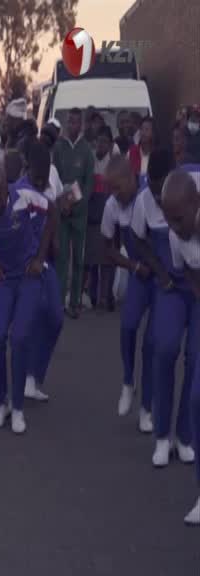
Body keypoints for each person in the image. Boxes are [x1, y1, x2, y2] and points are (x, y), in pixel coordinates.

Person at [0, 165, 56, 434]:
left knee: (19, 338)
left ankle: (18, 407)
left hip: (29, 276)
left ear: (6, 191)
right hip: (5, 278)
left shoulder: (26, 197)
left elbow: (53, 213)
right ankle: (1, 403)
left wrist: (41, 257)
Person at [131, 150, 196, 468]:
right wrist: (158, 271)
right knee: (164, 348)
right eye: (154, 191)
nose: (157, 198)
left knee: (196, 360)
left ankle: (185, 435)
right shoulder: (145, 200)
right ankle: (161, 436)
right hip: (173, 285)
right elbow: (135, 238)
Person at [101, 155, 154, 432]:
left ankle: (147, 409)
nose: (114, 194)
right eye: (110, 189)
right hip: (140, 274)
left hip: (163, 276)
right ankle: (127, 382)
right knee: (128, 326)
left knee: (154, 344)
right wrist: (132, 265)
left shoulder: (150, 194)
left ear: (132, 177)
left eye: (118, 187)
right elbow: (107, 249)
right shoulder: (112, 206)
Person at [160, 169, 200, 525]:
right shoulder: (175, 235)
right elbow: (186, 270)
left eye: (179, 218)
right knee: (197, 398)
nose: (174, 226)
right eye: (168, 220)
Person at [18, 141, 63, 403]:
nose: (40, 182)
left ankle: (35, 376)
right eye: (36, 177)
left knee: (55, 318)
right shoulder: (19, 192)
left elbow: (52, 222)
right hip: (25, 267)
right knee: (30, 322)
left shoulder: (46, 192)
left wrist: (53, 241)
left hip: (46, 264)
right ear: (27, 169)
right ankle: (24, 378)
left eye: (44, 179)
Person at [53, 108, 95, 319]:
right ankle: (59, 301)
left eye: (76, 122)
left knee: (78, 259)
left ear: (81, 124)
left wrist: (76, 204)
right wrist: (62, 203)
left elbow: (88, 183)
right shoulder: (58, 147)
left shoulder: (87, 150)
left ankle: (75, 302)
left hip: (79, 214)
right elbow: (55, 178)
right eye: (70, 122)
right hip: (62, 212)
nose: (72, 125)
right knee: (61, 258)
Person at [85, 125, 116, 309]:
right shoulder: (90, 162)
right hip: (91, 218)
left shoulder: (113, 165)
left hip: (108, 219)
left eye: (104, 142)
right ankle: (94, 296)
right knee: (92, 260)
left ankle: (106, 296)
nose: (100, 146)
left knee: (107, 260)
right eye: (98, 142)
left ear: (111, 144)